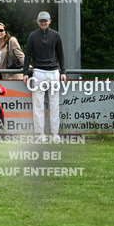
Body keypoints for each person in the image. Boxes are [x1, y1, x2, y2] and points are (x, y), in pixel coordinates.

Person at [23, 11, 66, 142]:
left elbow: (61, 55)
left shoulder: (56, 35)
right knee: (38, 106)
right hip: (38, 73)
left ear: (50, 21)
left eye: (45, 20)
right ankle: (40, 134)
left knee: (54, 105)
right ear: (37, 21)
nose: (43, 23)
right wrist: (25, 73)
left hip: (54, 73)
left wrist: (63, 72)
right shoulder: (32, 36)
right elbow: (28, 55)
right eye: (41, 20)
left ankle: (55, 134)